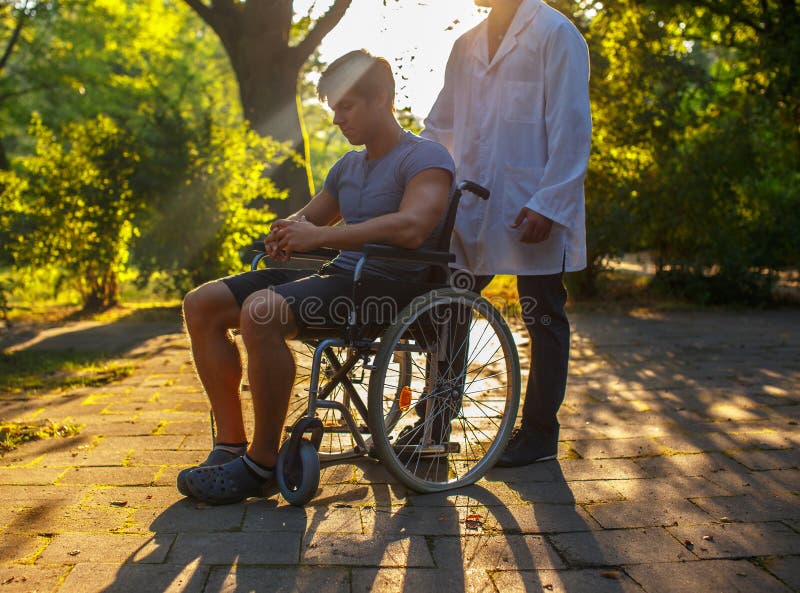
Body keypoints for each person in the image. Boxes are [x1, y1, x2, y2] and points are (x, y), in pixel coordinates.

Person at [178, 49, 455, 504]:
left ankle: (260, 463)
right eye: (333, 110)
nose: (336, 121)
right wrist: (286, 231)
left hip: (393, 288)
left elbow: (412, 227)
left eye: (346, 107)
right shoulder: (348, 167)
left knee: (262, 312)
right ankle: (229, 445)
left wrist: (322, 239)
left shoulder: (425, 158)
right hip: (344, 278)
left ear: (382, 98)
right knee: (201, 304)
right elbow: (311, 218)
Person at [421, 0, 592, 466]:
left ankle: (539, 433)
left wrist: (550, 201)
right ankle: (434, 421)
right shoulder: (466, 45)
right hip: (468, 208)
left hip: (530, 208)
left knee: (542, 315)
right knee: (449, 309)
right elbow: (440, 127)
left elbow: (571, 126)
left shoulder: (556, 34)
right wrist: (422, 188)